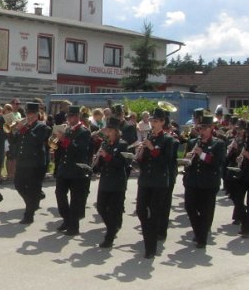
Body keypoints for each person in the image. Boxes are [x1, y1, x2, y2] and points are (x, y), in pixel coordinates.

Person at [183, 113, 226, 249]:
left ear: (211, 128)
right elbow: (187, 162)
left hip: (209, 183)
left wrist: (201, 154)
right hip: (193, 181)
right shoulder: (192, 142)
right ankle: (199, 231)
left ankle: (202, 238)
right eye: (200, 129)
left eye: (204, 129)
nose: (201, 132)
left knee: (206, 211)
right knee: (190, 207)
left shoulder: (218, 144)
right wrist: (188, 159)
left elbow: (217, 163)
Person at [134, 107, 173, 258]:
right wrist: (141, 152)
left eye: (155, 121)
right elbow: (143, 162)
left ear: (162, 122)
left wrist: (152, 148)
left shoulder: (167, 140)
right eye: (151, 121)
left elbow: (165, 161)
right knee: (141, 211)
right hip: (145, 180)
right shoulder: (150, 137)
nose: (152, 124)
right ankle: (149, 237)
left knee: (155, 214)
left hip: (159, 182)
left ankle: (150, 247)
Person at [53, 105, 93, 235]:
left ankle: (74, 226)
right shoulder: (68, 129)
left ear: (77, 117)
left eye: (71, 116)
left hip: (76, 170)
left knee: (75, 199)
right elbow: (63, 149)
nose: (69, 119)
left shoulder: (84, 131)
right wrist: (57, 141)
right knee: (59, 194)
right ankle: (66, 218)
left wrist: (64, 139)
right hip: (64, 168)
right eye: (68, 116)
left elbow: (80, 149)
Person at [94, 116, 129, 247]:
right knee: (101, 207)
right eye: (106, 130)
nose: (106, 132)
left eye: (109, 130)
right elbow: (101, 164)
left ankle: (109, 237)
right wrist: (97, 161)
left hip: (117, 181)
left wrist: (107, 156)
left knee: (114, 210)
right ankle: (112, 227)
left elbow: (122, 164)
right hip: (105, 180)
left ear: (115, 131)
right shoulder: (105, 144)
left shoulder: (122, 144)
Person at [12, 103, 51, 224]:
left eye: (29, 113)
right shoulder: (24, 126)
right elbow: (14, 141)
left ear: (35, 114)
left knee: (32, 189)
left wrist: (24, 128)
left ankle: (29, 215)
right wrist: (12, 131)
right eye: (26, 113)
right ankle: (32, 201)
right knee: (18, 184)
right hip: (23, 161)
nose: (27, 116)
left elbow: (36, 140)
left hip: (36, 163)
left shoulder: (42, 127)